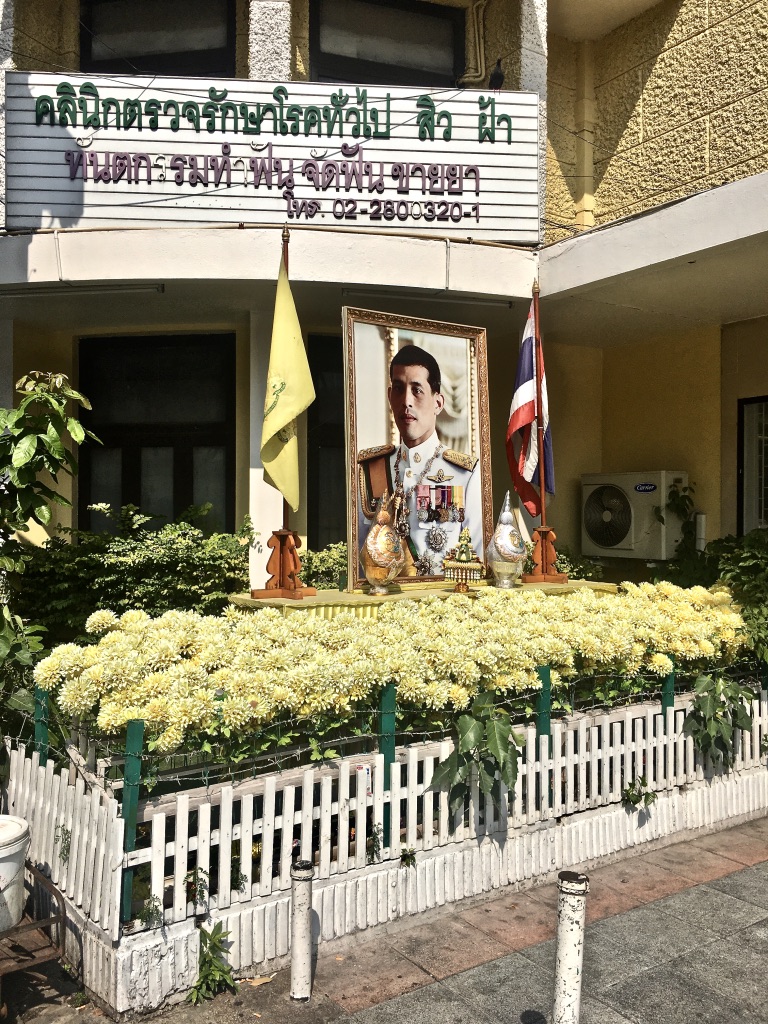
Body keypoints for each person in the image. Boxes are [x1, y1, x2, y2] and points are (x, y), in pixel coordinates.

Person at [358, 344, 482, 577]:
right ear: (389, 396)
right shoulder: (371, 469)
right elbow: (360, 562)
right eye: (398, 389)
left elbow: (476, 561)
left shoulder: (465, 474)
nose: (406, 401)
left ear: (438, 403)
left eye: (417, 390)